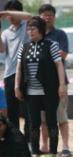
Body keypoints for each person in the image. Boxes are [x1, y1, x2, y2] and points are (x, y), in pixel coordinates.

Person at [14, 16, 67, 157]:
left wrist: (62, 85)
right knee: (33, 123)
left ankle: (53, 152)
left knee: (51, 122)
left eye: (33, 29)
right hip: (31, 92)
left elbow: (59, 65)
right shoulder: (24, 47)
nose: (30, 32)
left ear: (41, 30)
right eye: (28, 29)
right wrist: (16, 87)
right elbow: (19, 68)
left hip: (49, 91)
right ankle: (35, 152)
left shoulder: (51, 45)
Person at [39, 3, 71, 157]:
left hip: (59, 82)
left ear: (54, 17)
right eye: (45, 14)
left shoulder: (60, 34)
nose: (47, 17)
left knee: (61, 117)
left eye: (50, 15)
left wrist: (45, 54)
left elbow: (63, 54)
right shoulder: (36, 34)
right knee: (44, 119)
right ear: (39, 17)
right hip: (41, 83)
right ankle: (44, 146)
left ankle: (65, 146)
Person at [0, 1, 32, 140]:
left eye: (12, 13)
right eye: (8, 14)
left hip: (26, 75)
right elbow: (1, 49)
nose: (10, 17)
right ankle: (15, 142)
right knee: (12, 113)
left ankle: (30, 142)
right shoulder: (6, 32)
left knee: (28, 112)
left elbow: (29, 16)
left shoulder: (28, 27)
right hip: (9, 75)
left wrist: (6, 12)